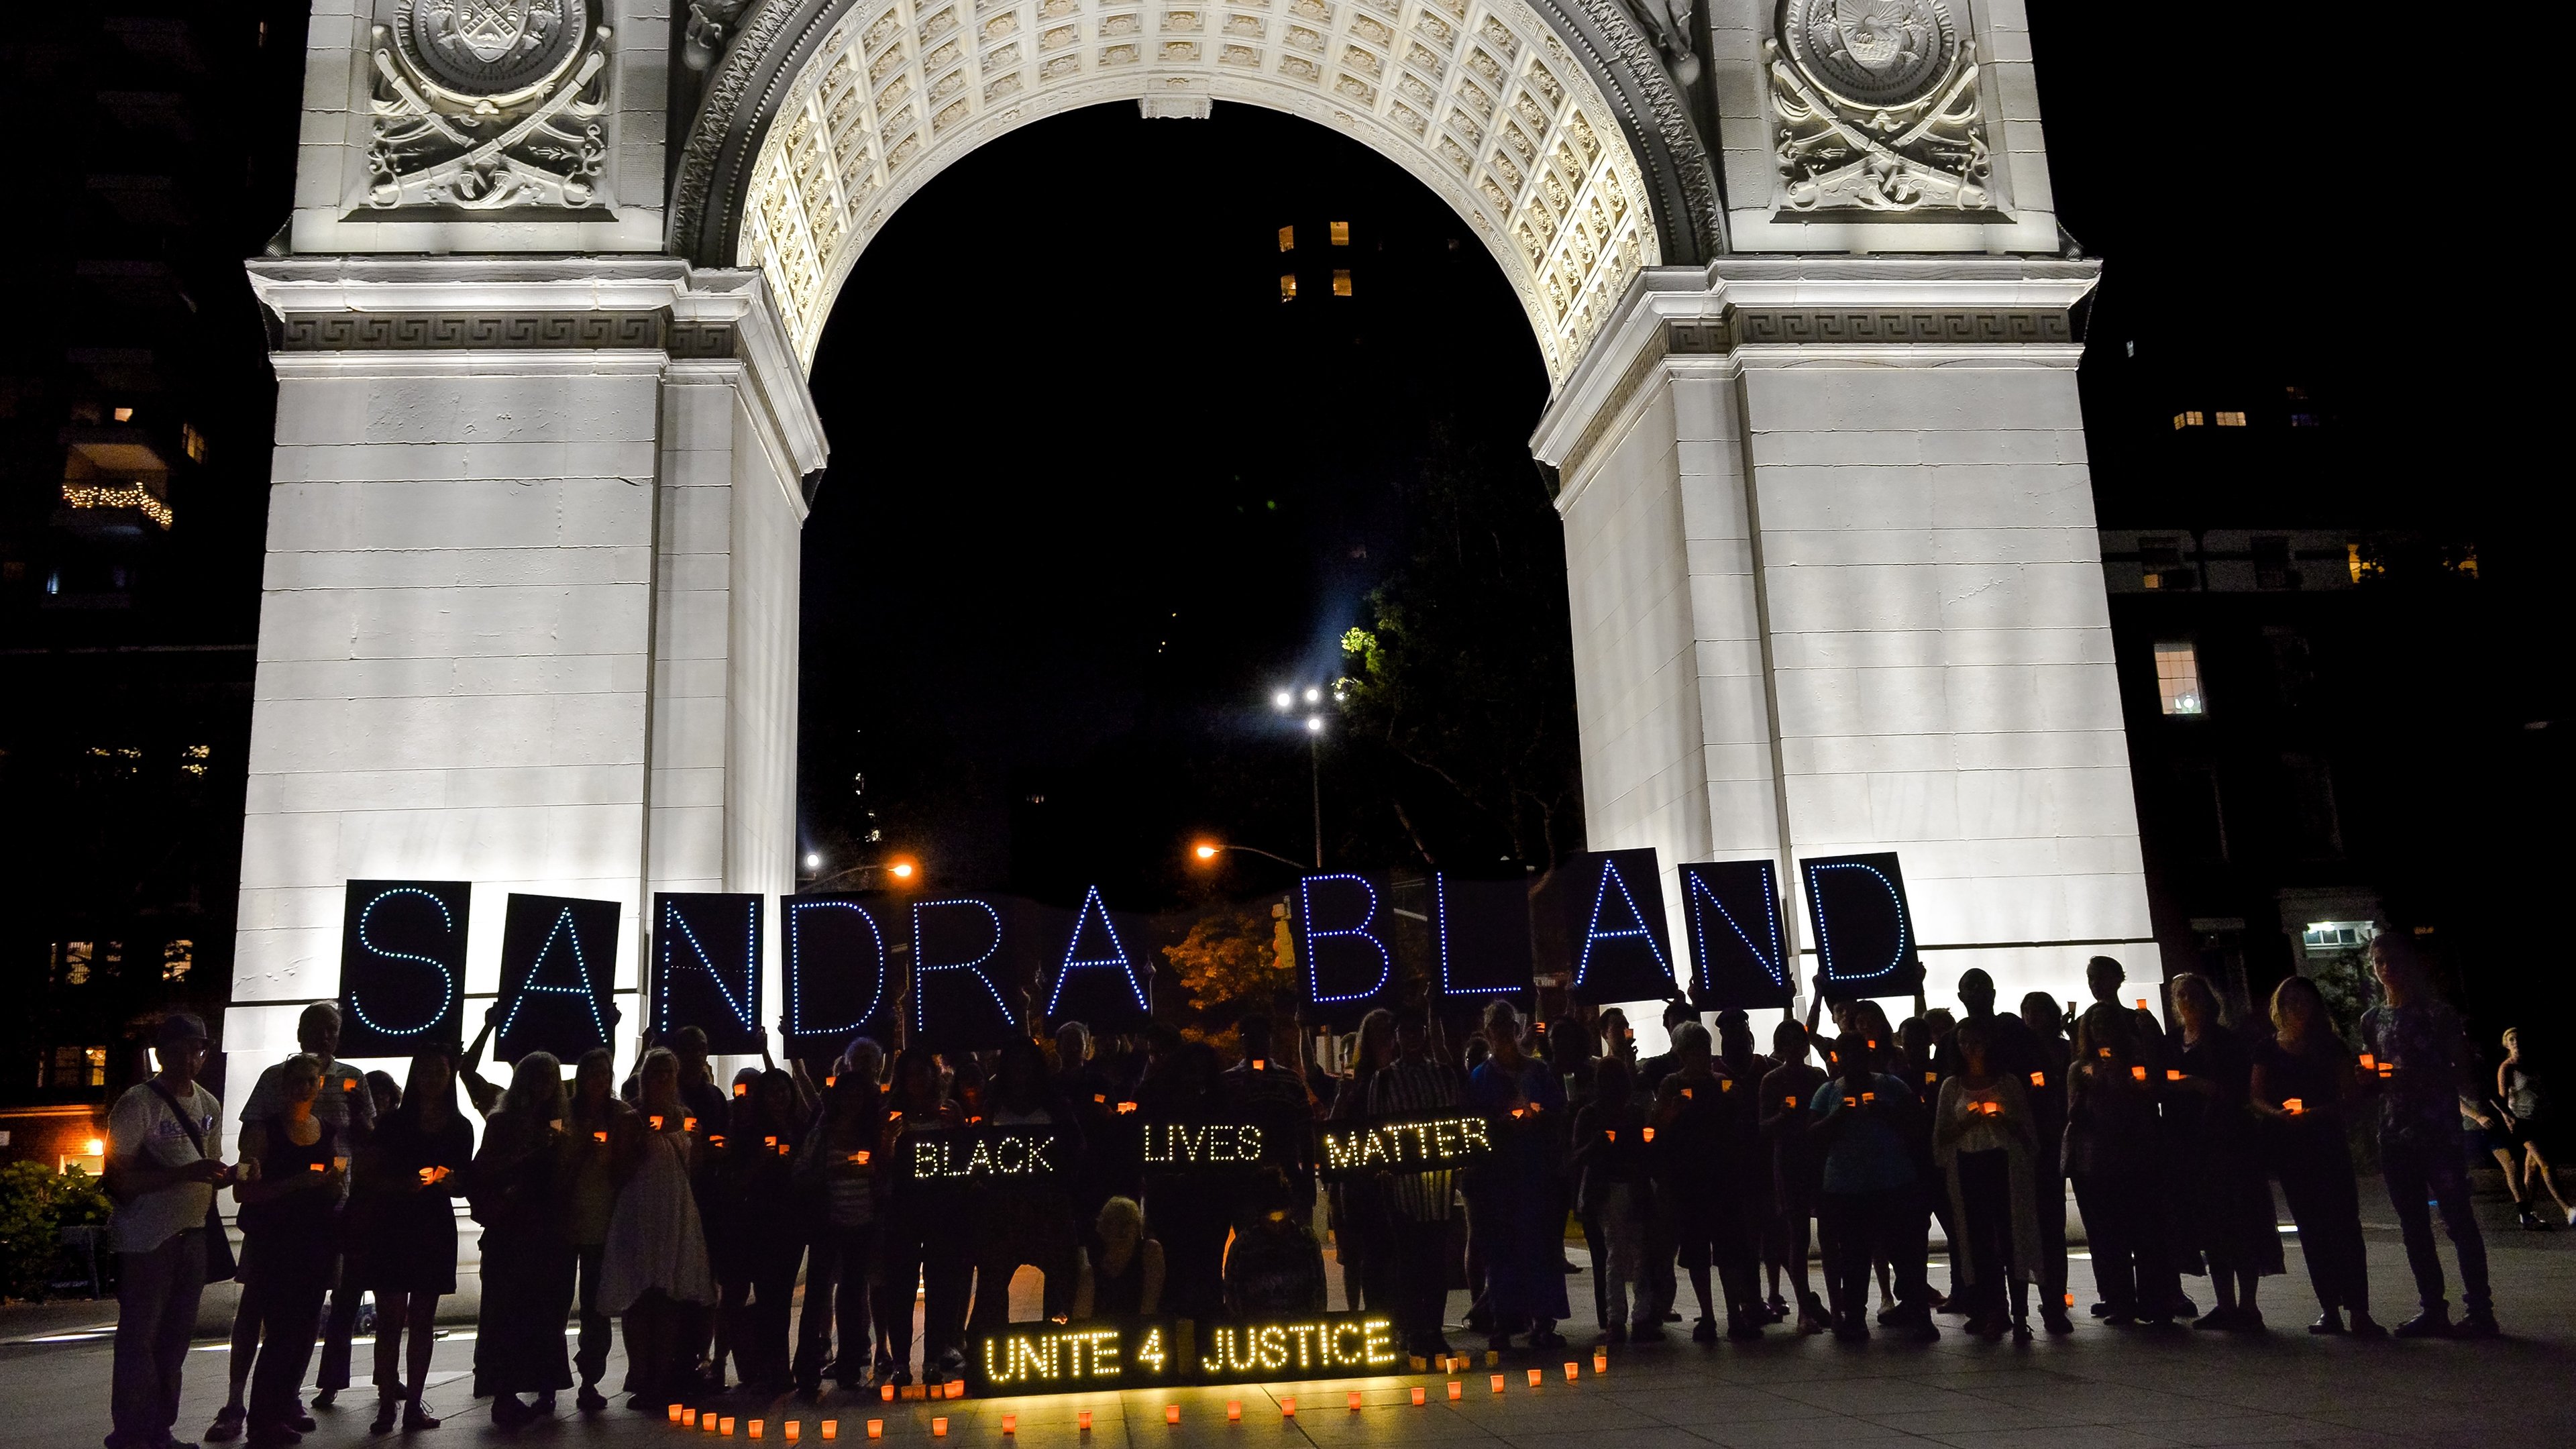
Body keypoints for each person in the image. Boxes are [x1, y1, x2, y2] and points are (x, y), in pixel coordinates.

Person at [209, 1003, 378, 1442]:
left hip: (329, 1213)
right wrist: (257, 1174)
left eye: (332, 1028)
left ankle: (285, 1398)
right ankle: (235, 1400)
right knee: (257, 1308)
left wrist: (361, 1124)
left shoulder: (352, 1079)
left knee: (305, 1315)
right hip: (277, 1218)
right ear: (301, 1032)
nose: (324, 1035)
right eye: (315, 1027)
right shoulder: (273, 1077)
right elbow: (254, 1140)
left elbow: (364, 1138)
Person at [2357, 933, 2497, 1338]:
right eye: (2379, 962)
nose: (2387, 970)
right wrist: (2365, 1077)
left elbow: (2463, 1070)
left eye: (2394, 961)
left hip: (2437, 1131)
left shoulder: (2436, 1015)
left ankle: (2480, 1310)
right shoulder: (2372, 1020)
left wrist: (2418, 1076)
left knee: (2458, 1220)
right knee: (2413, 1226)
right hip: (2395, 1133)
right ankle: (2433, 1307)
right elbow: (2372, 1072)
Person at [107, 1011, 231, 1449]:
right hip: (146, 1239)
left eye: (197, 1050)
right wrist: (187, 1174)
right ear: (161, 1055)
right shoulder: (138, 1103)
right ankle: (133, 1431)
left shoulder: (209, 1105)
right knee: (141, 1338)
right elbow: (117, 1178)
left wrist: (222, 1177)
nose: (190, 1059)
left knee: (175, 1340)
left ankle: (159, 1428)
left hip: (192, 1233)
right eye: (179, 1051)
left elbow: (207, 1168)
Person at [347, 1050, 472, 1433]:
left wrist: (453, 1183)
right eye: (426, 1071)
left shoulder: (459, 1126)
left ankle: (412, 1402)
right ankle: (389, 1401)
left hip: (431, 1224)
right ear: (416, 1075)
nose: (432, 1078)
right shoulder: (395, 1123)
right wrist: (404, 1186)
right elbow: (366, 1176)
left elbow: (463, 1179)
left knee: (421, 1319)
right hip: (396, 1223)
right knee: (390, 1319)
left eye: (440, 1071)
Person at [2251, 975, 2381, 1336]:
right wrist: (2276, 1114)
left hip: (2326, 1141)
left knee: (2344, 1224)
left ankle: (2358, 1308)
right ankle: (2329, 1308)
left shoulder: (2330, 1046)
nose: (2296, 1008)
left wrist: (2320, 1112)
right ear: (2280, 1007)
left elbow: (2349, 1097)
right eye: (2289, 1002)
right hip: (2291, 1147)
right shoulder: (2268, 1049)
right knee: (2311, 1227)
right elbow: (2256, 1095)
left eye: (2303, 1001)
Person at [230, 1054, 346, 1448]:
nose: (304, 1087)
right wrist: (295, 1184)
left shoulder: (326, 1130)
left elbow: (334, 1186)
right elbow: (244, 1191)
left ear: (319, 1086)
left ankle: (279, 1409)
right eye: (297, 1080)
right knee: (280, 1331)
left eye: (310, 1081)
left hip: (315, 1242)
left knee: (303, 1330)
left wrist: (331, 1185)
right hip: (276, 1244)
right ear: (284, 1086)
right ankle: (263, 1418)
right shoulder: (267, 1132)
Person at [601, 1047, 718, 1411]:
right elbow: (618, 1169)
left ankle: (664, 1376)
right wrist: (637, 1140)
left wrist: (696, 1143)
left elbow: (695, 1170)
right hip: (640, 1209)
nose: (663, 1079)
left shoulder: (684, 1117)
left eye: (669, 1072)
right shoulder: (630, 1117)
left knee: (670, 1293)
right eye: (657, 1072)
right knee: (640, 1294)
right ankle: (641, 1373)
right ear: (646, 1077)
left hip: (676, 1208)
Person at [2163, 973, 2282, 1332]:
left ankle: (2248, 1305)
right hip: (2190, 1142)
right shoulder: (2175, 1042)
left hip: (2227, 1141)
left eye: (2193, 994)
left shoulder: (2225, 1042)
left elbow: (2237, 1091)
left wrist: (2196, 1085)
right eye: (2180, 995)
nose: (2186, 1001)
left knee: (2239, 1221)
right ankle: (2224, 1303)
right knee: (2212, 1226)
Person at [1807, 1022, 1935, 1340]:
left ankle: (1918, 1312)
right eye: (1846, 1056)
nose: (1854, 1063)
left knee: (1905, 1253)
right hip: (1848, 1187)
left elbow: (1918, 1126)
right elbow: (1811, 1136)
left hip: (1892, 1181)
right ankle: (1855, 1316)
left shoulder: (1892, 1087)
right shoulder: (1828, 1092)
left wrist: (1884, 1114)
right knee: (1854, 1256)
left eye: (1859, 1055)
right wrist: (1839, 1117)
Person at [470, 1053, 578, 1426]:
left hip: (546, 1230)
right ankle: (506, 1393)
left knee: (544, 1312)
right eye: (538, 1077)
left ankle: (540, 1384)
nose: (545, 1085)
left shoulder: (557, 1125)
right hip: (514, 1230)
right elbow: (484, 1170)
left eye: (551, 1077)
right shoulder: (504, 1123)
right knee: (508, 1314)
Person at [2065, 1000, 2179, 1325]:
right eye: (2095, 1024)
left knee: (2146, 1232)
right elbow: (2073, 1115)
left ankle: (2156, 1301)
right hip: (2101, 1160)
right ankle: (2121, 1301)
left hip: (2138, 1155)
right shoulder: (2081, 1068)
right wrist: (2089, 1092)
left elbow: (2155, 1095)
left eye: (2106, 1023)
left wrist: (2139, 1087)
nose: (2101, 1029)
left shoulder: (2137, 1060)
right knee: (2110, 1234)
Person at [1465, 1000, 1570, 1350]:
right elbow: (1475, 1124)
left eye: (1508, 1028)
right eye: (1496, 1030)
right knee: (1501, 1252)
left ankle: (1543, 1319)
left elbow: (1558, 1111)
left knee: (1540, 1249)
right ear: (1488, 1033)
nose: (1503, 1036)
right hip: (1500, 1176)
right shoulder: (1481, 1077)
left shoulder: (1537, 1072)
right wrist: (1498, 1124)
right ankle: (1503, 1319)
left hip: (1535, 1171)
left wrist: (1537, 1119)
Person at [1366, 1007, 1467, 1358]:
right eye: (1404, 1033)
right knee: (1410, 1261)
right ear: (1396, 1037)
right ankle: (1413, 1329)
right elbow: (1375, 1128)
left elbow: (1456, 1120)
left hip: (1438, 1185)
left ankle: (1433, 1329)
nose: (1410, 1039)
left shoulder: (1442, 1075)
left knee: (1435, 1261)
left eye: (1416, 1032)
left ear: (1424, 1034)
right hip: (1403, 1187)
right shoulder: (1386, 1079)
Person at [1651, 1022, 1762, 1340]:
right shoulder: (1672, 1084)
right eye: (1695, 1050)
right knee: (1698, 1251)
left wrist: (1735, 1103)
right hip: (1691, 1178)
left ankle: (1732, 1313)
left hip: (1721, 1176)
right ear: (1683, 1054)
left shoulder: (1722, 1083)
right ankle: (1710, 1314)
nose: (1702, 1056)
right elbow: (1658, 1126)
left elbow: (1739, 1123)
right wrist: (1672, 1114)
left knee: (1728, 1250)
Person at [1931, 1020, 2037, 1339]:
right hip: (1969, 1165)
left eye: (1975, 1041)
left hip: (2003, 1163)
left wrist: (2002, 1120)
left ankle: (2020, 1314)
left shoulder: (2007, 1083)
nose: (1970, 1048)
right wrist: (1968, 1121)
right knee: (1977, 1242)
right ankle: (1990, 1309)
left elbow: (2026, 1130)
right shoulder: (1952, 1086)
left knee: (2011, 1237)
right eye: (1963, 1043)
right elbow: (1942, 1133)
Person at [970, 1038, 1083, 1330]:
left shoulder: (1055, 1103)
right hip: (1003, 1209)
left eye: (1026, 1062)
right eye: (1015, 1062)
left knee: (1060, 1280)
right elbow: (980, 1150)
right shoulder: (993, 1104)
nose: (1021, 1069)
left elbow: (1075, 1148)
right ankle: (992, 1351)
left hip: (1048, 1206)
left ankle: (1057, 1343)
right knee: (992, 1286)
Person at [873, 1046, 969, 1387]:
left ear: (933, 1076)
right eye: (910, 1074)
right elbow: (878, 1167)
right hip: (902, 1209)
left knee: (942, 1286)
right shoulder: (890, 1115)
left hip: (942, 1209)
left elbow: (966, 1157)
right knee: (901, 1287)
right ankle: (901, 1361)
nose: (916, 1080)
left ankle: (931, 1359)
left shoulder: (949, 1111)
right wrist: (888, 1140)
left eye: (922, 1072)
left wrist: (957, 1130)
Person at [794, 1040, 883, 1399]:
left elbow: (883, 1174)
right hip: (828, 1223)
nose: (853, 1103)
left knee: (851, 1295)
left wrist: (873, 1170)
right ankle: (807, 1367)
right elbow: (802, 1170)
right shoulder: (823, 1132)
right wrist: (832, 1169)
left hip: (861, 1223)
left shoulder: (870, 1134)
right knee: (817, 1294)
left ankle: (849, 1366)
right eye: (847, 1096)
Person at [562, 1046, 639, 1411]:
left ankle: (590, 1379)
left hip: (602, 1222)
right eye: (592, 1074)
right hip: (563, 1222)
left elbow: (627, 1171)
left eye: (604, 1075)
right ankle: (548, 1377)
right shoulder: (565, 1114)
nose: (599, 1082)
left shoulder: (620, 1116)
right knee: (555, 1303)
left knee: (596, 1307)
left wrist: (609, 1158)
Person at [1570, 1055, 1653, 1342]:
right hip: (1611, 1187)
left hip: (1628, 1185)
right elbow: (1578, 1154)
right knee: (1620, 1253)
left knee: (1631, 1254)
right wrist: (1599, 1143)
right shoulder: (1595, 1115)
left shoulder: (1630, 1113)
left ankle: (1627, 1317)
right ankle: (1622, 1317)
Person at [1758, 1021, 1829, 1334]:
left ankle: (1832, 1305)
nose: (1794, 1051)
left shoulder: (1817, 1077)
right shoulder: (1773, 1080)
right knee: (1798, 1235)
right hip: (1790, 1159)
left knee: (1824, 1235)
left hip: (1814, 1158)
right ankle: (1805, 1307)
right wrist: (1783, 1117)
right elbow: (1763, 1125)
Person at [1327, 1010, 1397, 1315]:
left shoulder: (1400, 1076)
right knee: (1367, 1253)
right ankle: (1374, 1317)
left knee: (1394, 1253)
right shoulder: (1356, 1082)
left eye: (1388, 1031)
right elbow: (1333, 1130)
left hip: (1397, 1180)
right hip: (1360, 1183)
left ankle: (1396, 1318)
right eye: (1378, 1033)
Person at [2017, 991, 2076, 1333]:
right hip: (2038, 1140)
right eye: (2028, 1011)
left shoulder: (2063, 1049)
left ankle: (2054, 1296)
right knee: (2043, 1224)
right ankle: (2049, 1296)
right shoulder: (2028, 1052)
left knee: (2051, 1224)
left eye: (2039, 1011)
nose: (2033, 1018)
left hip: (2054, 1138)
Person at [1224, 1169, 1328, 1316]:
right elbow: (1233, 1297)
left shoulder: (1306, 1242)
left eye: (1283, 1220)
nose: (1278, 1227)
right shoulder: (1244, 1247)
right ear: (1260, 1216)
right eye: (1271, 1222)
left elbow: (1319, 1293)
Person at [2497, 1028, 2573, 1228]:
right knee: (2545, 1163)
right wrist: (2507, 1119)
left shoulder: (2533, 1065)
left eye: (2518, 1038)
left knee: (2532, 1169)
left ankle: (2527, 1215)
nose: (2516, 1042)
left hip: (2539, 1121)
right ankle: (2568, 1209)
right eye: (2511, 1039)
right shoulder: (2507, 1068)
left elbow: (2543, 1093)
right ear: (2506, 1044)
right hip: (2522, 1123)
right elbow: (2501, 1099)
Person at [1071, 1195, 1165, 1317]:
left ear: (1137, 1227)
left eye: (1127, 1223)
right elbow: (1080, 1318)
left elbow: (1149, 1307)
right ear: (1105, 1228)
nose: (1123, 1230)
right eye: (1116, 1222)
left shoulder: (1150, 1251)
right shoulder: (1092, 1272)